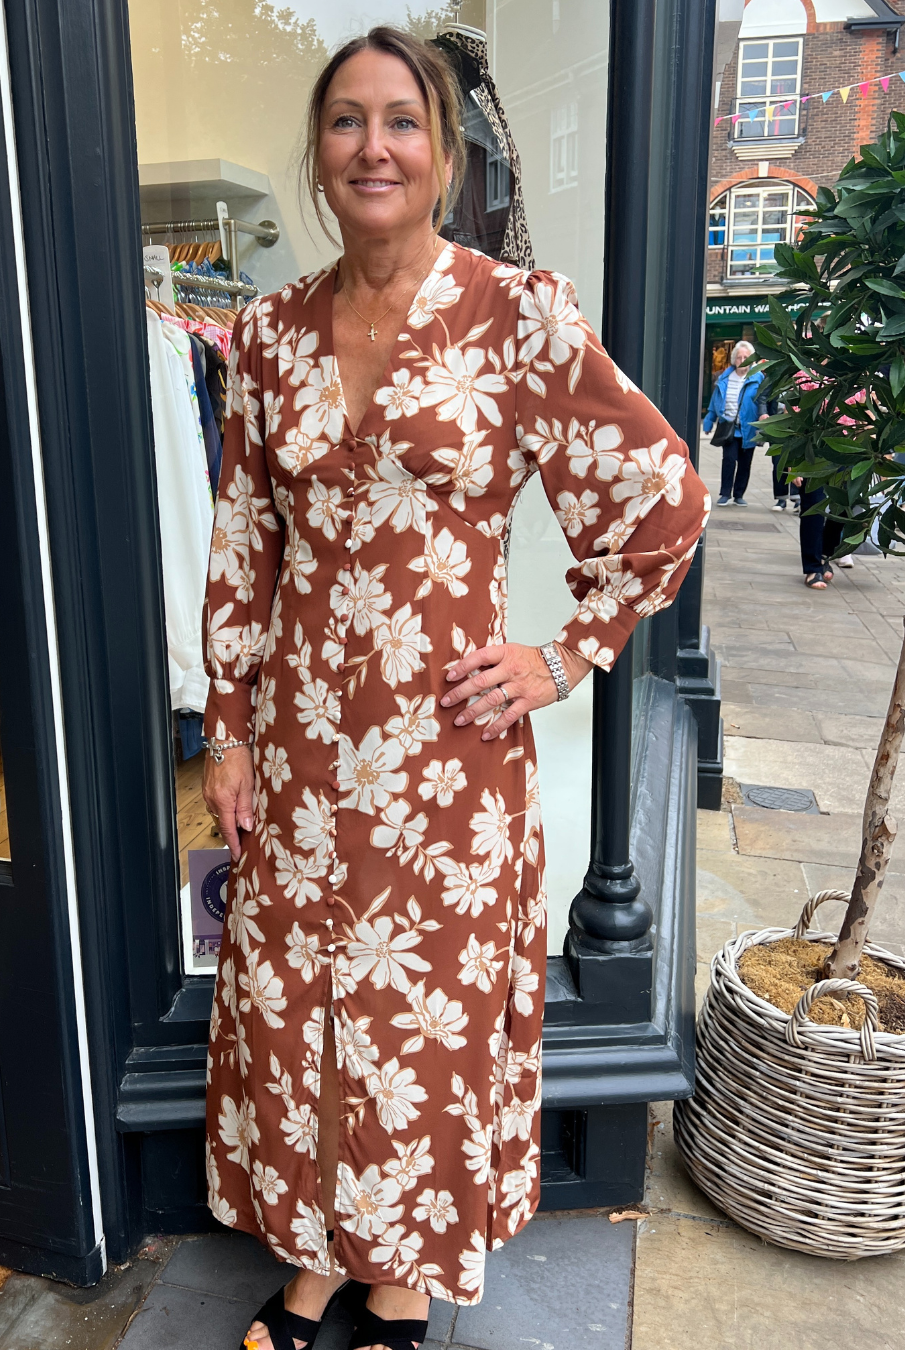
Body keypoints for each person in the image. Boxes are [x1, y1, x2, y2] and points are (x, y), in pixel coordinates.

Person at [200, 27, 708, 1350]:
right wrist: (231, 721)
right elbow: (245, 536)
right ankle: (314, 1259)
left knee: (417, 1021)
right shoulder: (264, 335)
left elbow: (661, 495)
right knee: (299, 1007)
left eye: (403, 121)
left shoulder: (516, 314)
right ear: (317, 155)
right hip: (304, 753)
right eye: (348, 121)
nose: (376, 145)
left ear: (442, 153)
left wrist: (565, 651)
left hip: (445, 759)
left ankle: (401, 1278)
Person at [702, 340, 763, 507]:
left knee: (745, 463)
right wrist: (709, 421)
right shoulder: (724, 378)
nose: (742, 360)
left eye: (746, 357)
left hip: (749, 428)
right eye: (739, 357)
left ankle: (738, 494)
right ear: (733, 359)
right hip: (729, 427)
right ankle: (725, 493)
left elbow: (763, 402)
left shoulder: (758, 378)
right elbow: (716, 400)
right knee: (728, 459)